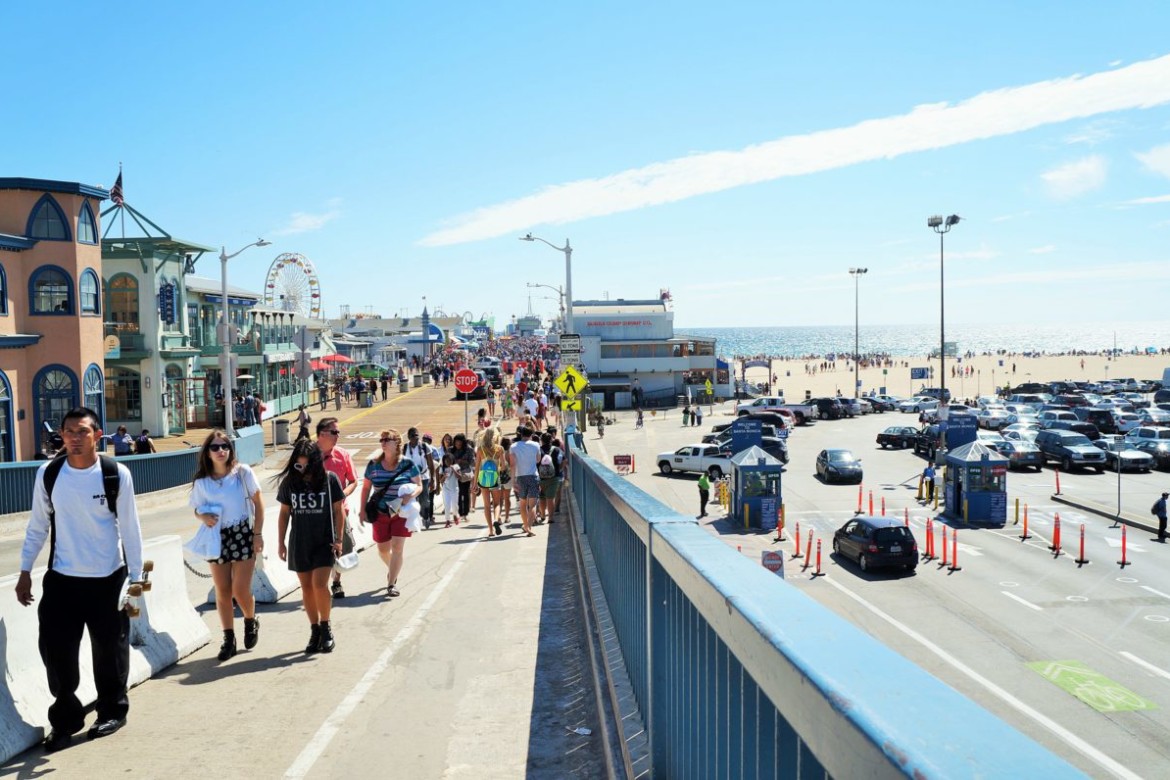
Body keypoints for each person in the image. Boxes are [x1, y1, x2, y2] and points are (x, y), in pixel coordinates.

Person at [15, 407, 144, 752]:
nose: (73, 437)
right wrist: (25, 571)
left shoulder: (115, 473)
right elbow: (37, 525)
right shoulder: (49, 473)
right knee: (56, 653)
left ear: (97, 436)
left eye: (82, 431)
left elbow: (130, 528)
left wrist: (136, 580)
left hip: (108, 578)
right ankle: (66, 720)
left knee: (110, 653)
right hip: (62, 579)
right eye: (68, 432)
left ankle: (112, 712)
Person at [189, 430, 266, 661]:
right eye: (215, 447)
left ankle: (250, 619)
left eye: (225, 446)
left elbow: (259, 504)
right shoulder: (201, 482)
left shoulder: (242, 473)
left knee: (240, 589)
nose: (221, 450)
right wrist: (202, 517)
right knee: (222, 590)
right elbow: (195, 508)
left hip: (243, 532)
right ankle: (228, 638)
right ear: (207, 452)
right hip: (216, 537)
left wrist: (257, 534)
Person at [275, 440, 345, 653]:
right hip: (300, 541)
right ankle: (314, 629)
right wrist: (281, 542)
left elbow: (338, 511)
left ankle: (326, 627)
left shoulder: (329, 479)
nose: (303, 470)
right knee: (306, 588)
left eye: (307, 465)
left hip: (324, 541)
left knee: (319, 585)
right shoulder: (289, 483)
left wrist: (339, 539)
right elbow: (285, 513)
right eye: (299, 465)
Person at [359, 429, 421, 597]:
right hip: (380, 512)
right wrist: (362, 510)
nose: (383, 442)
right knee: (383, 549)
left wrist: (411, 495)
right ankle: (392, 568)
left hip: (401, 512)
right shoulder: (373, 464)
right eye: (382, 440)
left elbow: (420, 485)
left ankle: (391, 583)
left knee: (397, 547)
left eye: (387, 439)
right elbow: (365, 487)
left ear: (397, 443)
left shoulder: (407, 464)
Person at [317, 417, 358, 598]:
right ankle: (320, 586)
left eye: (338, 432)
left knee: (340, 547)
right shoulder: (309, 454)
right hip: (316, 512)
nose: (338, 435)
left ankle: (336, 582)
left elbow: (353, 481)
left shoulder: (343, 455)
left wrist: (342, 494)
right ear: (322, 434)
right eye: (334, 432)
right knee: (318, 549)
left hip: (339, 510)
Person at [509, 426, 541, 537]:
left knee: (522, 503)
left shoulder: (513, 447)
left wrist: (513, 481)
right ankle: (529, 527)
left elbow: (512, 465)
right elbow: (538, 460)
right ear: (531, 435)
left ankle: (525, 524)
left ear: (521, 435)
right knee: (532, 504)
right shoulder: (536, 445)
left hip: (520, 477)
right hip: (533, 476)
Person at [475, 427, 507, 536]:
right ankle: (496, 520)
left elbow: (477, 467)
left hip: (483, 478)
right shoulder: (500, 449)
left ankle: (490, 530)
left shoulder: (480, 449)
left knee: (487, 505)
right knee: (497, 503)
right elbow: (503, 466)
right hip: (495, 478)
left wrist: (475, 483)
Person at [404, 428, 437, 529]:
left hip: (424, 477)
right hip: (411, 478)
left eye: (417, 435)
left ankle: (425, 516)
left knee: (425, 500)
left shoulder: (424, 446)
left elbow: (431, 463)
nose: (416, 438)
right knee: (412, 500)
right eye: (413, 436)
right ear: (409, 437)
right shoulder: (405, 447)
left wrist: (432, 478)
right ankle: (413, 521)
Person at [537, 432, 564, 524]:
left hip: (541, 477)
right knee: (551, 497)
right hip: (554, 477)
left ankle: (543, 515)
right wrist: (559, 469)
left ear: (542, 441)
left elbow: (536, 462)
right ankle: (551, 518)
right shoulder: (557, 449)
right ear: (551, 440)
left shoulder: (539, 450)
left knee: (542, 497)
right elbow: (564, 460)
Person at [448, 433, 475, 524]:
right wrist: (454, 462)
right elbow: (447, 461)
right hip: (454, 475)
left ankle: (465, 514)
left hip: (465, 474)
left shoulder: (469, 449)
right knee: (457, 494)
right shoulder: (451, 449)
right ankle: (459, 513)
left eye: (459, 444)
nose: (458, 445)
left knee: (465, 494)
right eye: (456, 443)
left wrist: (462, 461)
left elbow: (472, 462)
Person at [438, 453, 460, 528]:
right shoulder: (442, 468)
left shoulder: (456, 466)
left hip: (454, 489)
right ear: (444, 461)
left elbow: (459, 477)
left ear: (452, 460)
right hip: (446, 489)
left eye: (450, 460)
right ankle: (448, 521)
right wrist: (444, 476)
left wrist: (453, 469)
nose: (448, 462)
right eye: (446, 461)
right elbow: (440, 481)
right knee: (447, 505)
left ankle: (455, 515)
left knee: (454, 506)